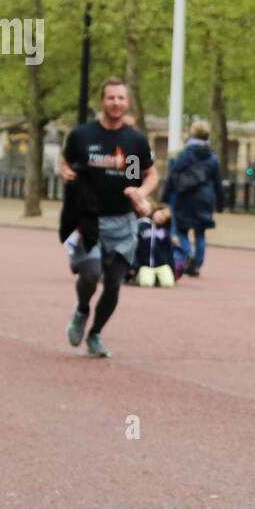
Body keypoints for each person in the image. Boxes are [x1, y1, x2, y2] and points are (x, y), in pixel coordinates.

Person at [59, 77, 157, 358]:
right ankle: (81, 311)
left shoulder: (134, 140)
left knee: (114, 283)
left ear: (127, 102)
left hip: (122, 220)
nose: (116, 103)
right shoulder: (82, 136)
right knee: (89, 274)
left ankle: (95, 333)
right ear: (102, 101)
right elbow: (66, 162)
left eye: (121, 98)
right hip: (88, 218)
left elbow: (147, 174)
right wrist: (63, 171)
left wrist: (141, 192)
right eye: (111, 97)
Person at [163, 120, 223, 278]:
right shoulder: (213, 157)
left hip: (187, 197)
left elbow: (174, 176)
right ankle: (196, 265)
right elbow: (217, 182)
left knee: (181, 230)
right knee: (200, 233)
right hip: (205, 198)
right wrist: (221, 203)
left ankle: (188, 253)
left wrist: (166, 196)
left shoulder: (185, 154)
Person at [131, 203, 177, 288]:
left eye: (166, 218)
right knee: (146, 284)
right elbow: (134, 247)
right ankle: (142, 276)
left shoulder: (164, 232)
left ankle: (157, 277)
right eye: (162, 213)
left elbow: (170, 252)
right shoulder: (142, 226)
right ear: (156, 210)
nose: (162, 217)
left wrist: (172, 270)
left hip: (161, 264)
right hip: (145, 264)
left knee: (168, 284)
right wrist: (135, 265)